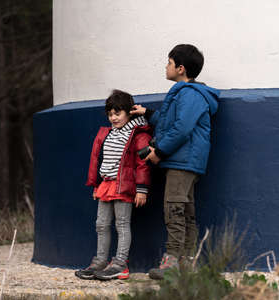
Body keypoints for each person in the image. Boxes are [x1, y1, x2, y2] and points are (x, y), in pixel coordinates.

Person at [130, 44, 220, 279]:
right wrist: (148, 113)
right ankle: (187, 264)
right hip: (185, 161)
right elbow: (172, 122)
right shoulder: (187, 94)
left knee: (174, 210)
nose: (166, 66)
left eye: (169, 62)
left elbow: (181, 129)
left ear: (180, 68)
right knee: (185, 211)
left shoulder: (190, 94)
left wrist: (158, 150)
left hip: (183, 161)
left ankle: (171, 263)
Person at [75, 90, 152, 280]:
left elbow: (143, 163)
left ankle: (120, 264)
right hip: (106, 185)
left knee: (122, 224)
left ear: (129, 112)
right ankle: (100, 261)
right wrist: (96, 185)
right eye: (110, 114)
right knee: (101, 224)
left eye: (117, 113)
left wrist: (142, 189)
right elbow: (100, 160)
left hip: (124, 185)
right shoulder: (108, 134)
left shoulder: (138, 134)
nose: (113, 118)